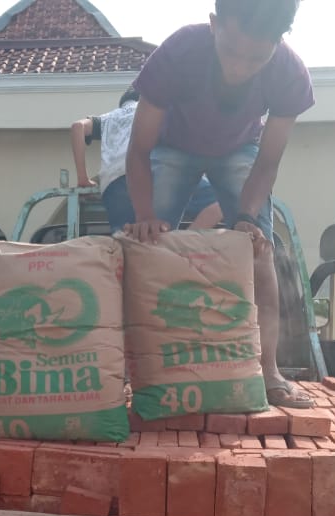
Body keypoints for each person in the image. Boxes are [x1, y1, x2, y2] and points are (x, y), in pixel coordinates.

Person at [124, 0, 314, 407]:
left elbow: (267, 162)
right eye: (232, 52)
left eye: (256, 58)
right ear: (214, 25)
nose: (240, 67)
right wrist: (144, 216)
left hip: (239, 150)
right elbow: (139, 149)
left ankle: (268, 370)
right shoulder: (178, 53)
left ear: (278, 43)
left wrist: (246, 218)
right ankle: (133, 367)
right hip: (172, 146)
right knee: (141, 246)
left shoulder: (289, 74)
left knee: (260, 251)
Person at [70, 88, 223, 234]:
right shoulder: (159, 111)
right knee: (219, 202)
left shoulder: (109, 118)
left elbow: (78, 127)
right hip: (161, 168)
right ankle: (180, 245)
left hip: (118, 181)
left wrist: (82, 177)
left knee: (131, 245)